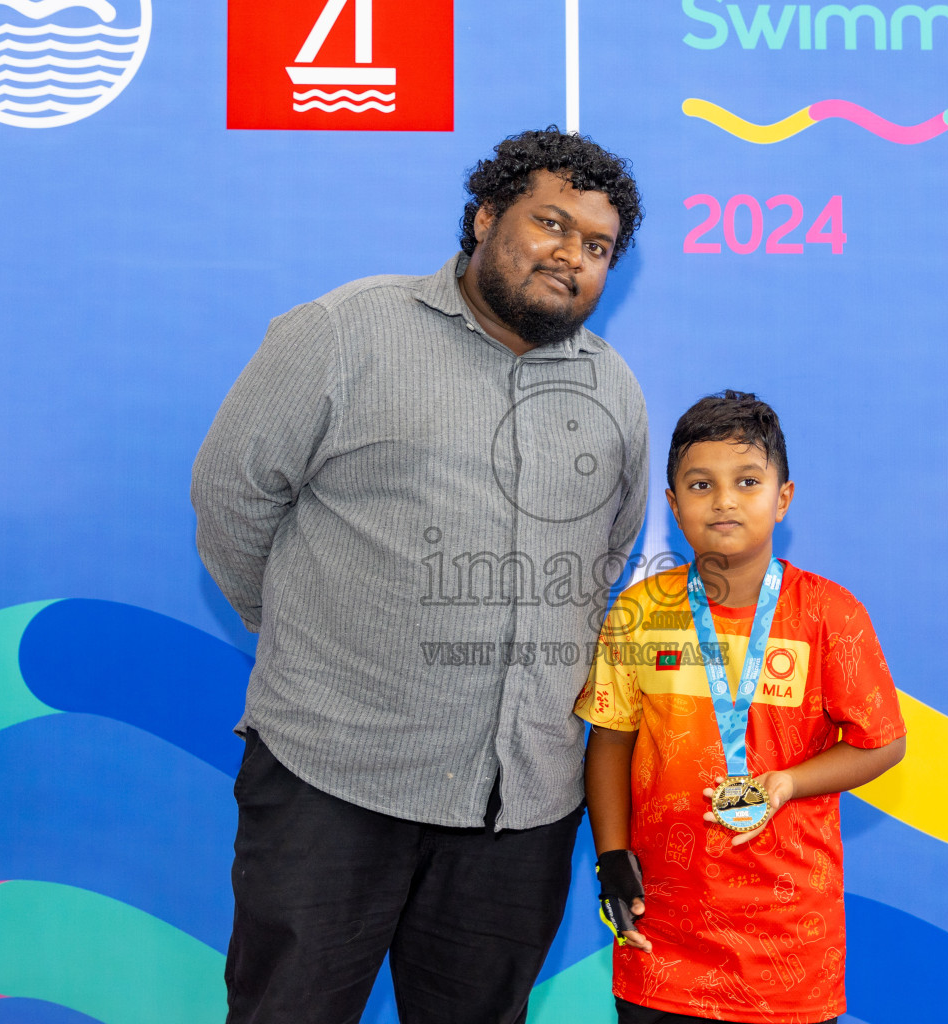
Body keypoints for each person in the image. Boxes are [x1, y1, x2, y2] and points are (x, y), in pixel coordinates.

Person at [191, 128, 647, 1024]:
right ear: (482, 218)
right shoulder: (342, 333)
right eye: (550, 224)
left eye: (597, 248)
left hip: (519, 814)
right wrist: (320, 647)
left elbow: (605, 558)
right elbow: (231, 501)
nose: (571, 257)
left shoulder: (614, 388)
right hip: (335, 784)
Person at [578, 391, 906, 1024]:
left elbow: (882, 742)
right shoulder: (640, 611)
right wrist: (612, 859)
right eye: (700, 484)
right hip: (663, 935)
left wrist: (787, 783)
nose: (724, 500)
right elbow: (610, 742)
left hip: (787, 942)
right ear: (673, 505)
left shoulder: (829, 613)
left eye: (747, 481)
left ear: (783, 498)